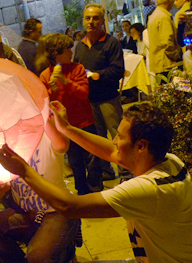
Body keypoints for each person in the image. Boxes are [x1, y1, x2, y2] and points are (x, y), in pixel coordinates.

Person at [0, 101, 192, 263]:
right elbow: (110, 151)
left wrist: (24, 171)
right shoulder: (170, 161)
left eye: (121, 137)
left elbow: (70, 206)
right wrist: (66, 128)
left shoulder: (150, 189)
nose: (114, 141)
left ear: (141, 146)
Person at [0, 104, 79, 263]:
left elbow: (61, 145)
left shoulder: (44, 135)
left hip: (57, 211)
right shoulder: (5, 145)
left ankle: (65, 251)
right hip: (26, 213)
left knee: (38, 258)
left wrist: (40, 111)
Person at [39, 33, 103, 195]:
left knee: (93, 156)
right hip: (65, 126)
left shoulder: (78, 68)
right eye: (67, 50)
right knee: (75, 161)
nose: (71, 52)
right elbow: (42, 102)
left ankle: (96, 189)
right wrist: (49, 90)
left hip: (85, 121)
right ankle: (82, 191)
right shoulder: (46, 75)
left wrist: (65, 81)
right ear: (56, 54)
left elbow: (83, 93)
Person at [73, 3, 131, 181]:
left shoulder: (111, 42)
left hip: (108, 99)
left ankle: (126, 174)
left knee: (117, 135)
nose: (91, 22)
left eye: (95, 18)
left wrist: (98, 75)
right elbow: (76, 67)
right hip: (89, 100)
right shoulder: (80, 45)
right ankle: (107, 171)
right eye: (87, 18)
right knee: (98, 138)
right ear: (83, 21)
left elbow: (118, 70)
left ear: (102, 21)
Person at [147, 0, 181, 77]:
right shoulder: (164, 16)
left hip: (158, 63)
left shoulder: (154, 15)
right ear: (167, 1)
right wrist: (176, 55)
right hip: (165, 63)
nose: (174, 3)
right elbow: (167, 42)